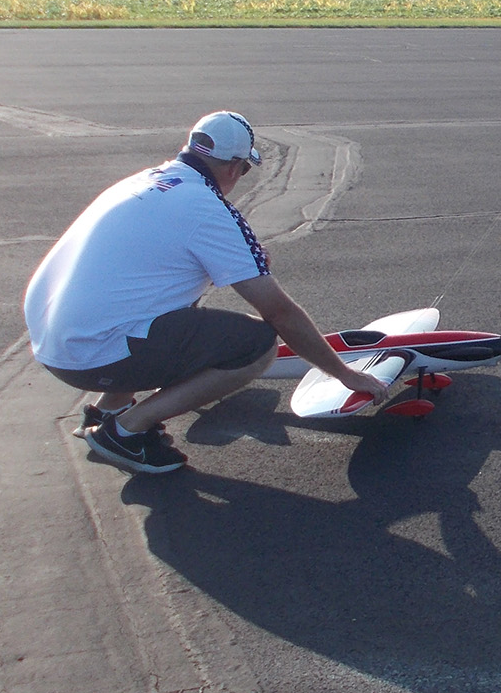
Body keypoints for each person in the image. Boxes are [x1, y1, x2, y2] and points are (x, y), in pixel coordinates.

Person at [23, 110, 388, 473]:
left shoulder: (144, 181)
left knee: (177, 295)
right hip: (92, 356)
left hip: (52, 345)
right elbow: (279, 313)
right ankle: (126, 431)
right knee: (257, 346)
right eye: (245, 169)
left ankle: (107, 410)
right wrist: (346, 376)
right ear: (233, 168)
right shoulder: (208, 209)